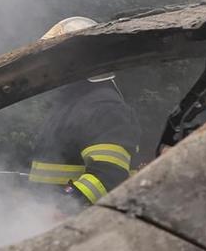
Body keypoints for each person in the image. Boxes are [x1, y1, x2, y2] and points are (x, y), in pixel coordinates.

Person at [28, 16, 138, 208]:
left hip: (80, 225)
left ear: (76, 62)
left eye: (56, 58)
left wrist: (64, 207)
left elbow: (108, 175)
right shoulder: (69, 104)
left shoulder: (104, 107)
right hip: (48, 220)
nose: (50, 67)